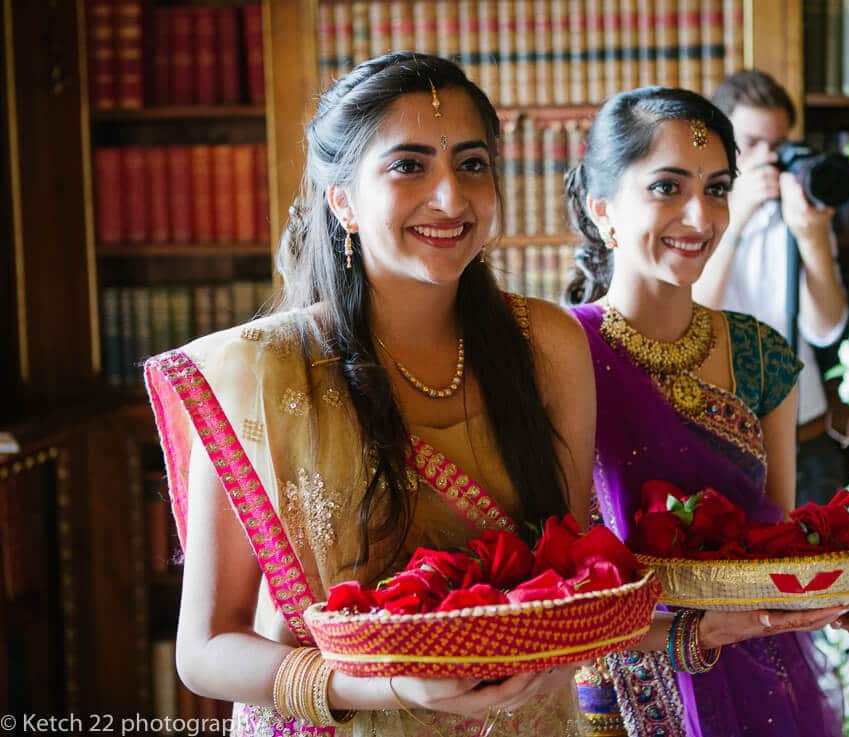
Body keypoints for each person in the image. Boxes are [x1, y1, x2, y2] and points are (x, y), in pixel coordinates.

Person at [144, 53, 599, 737]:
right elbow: (205, 648)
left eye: (472, 164)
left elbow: (574, 576)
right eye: (409, 165)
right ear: (343, 201)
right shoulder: (260, 372)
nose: (450, 197)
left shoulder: (549, 346)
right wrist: (383, 683)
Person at [563, 87, 849, 737]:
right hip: (609, 694)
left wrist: (845, 595)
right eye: (668, 186)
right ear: (602, 209)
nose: (701, 216)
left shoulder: (760, 356)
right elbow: (552, 572)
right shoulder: (559, 351)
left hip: (756, 682)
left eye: (718, 188)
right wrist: (689, 633)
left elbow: (771, 553)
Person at [693, 70, 849, 508]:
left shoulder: (801, 210)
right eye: (752, 143)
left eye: (777, 145)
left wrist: (813, 238)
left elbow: (827, 327)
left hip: (806, 432)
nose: (767, 158)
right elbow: (692, 315)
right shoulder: (692, 214)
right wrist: (736, 216)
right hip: (720, 438)